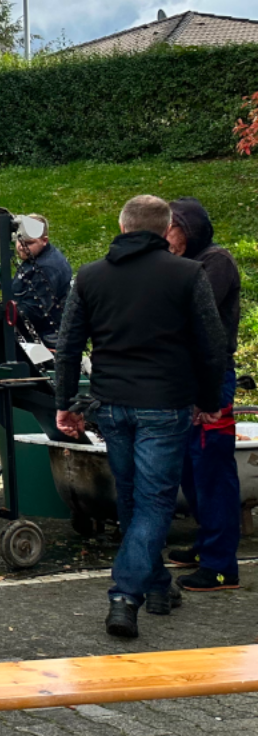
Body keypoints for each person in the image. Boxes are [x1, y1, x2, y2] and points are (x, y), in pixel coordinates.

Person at [54, 195, 227, 639]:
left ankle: (158, 586)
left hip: (111, 404)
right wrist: (209, 399)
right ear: (165, 227)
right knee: (154, 503)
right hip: (165, 405)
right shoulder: (187, 274)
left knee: (132, 498)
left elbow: (69, 346)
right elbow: (211, 345)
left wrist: (67, 402)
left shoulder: (91, 276)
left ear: (122, 224)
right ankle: (125, 595)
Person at [165, 198, 242, 592]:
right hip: (185, 377)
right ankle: (206, 541)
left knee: (212, 470)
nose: (166, 238)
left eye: (172, 229)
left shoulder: (217, 262)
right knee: (190, 471)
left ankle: (220, 563)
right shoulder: (182, 263)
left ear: (189, 230)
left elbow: (197, 316)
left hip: (211, 377)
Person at [10, 213, 72, 349]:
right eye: (19, 241)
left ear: (44, 240)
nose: (21, 246)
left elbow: (33, 311)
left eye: (29, 243)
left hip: (46, 341)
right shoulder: (34, 256)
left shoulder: (46, 268)